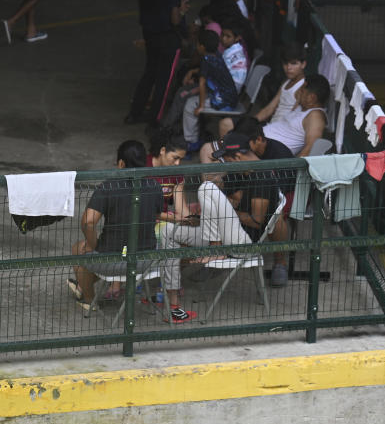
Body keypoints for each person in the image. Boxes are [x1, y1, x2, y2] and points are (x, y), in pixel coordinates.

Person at [67, 140, 169, 314]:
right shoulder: (154, 187)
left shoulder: (109, 187)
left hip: (114, 261)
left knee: (78, 248)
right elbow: (156, 214)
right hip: (146, 261)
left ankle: (88, 299)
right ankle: (83, 286)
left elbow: (88, 222)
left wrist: (92, 244)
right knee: (96, 256)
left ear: (121, 164)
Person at [156, 174, 252, 322]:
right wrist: (198, 219)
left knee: (205, 187)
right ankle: (173, 306)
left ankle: (215, 250)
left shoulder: (249, 176)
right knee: (167, 231)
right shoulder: (221, 183)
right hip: (216, 235)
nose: (211, 170)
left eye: (214, 162)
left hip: (239, 243)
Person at [213, 132, 289, 286]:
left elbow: (255, 220)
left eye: (226, 158)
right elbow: (226, 189)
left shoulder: (263, 176)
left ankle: (280, 262)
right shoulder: (238, 172)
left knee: (277, 217)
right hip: (232, 226)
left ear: (237, 157)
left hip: (244, 237)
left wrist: (225, 207)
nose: (224, 162)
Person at [126, 0, 190, 125]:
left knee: (149, 74)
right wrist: (183, 12)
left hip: (151, 36)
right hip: (168, 39)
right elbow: (175, 19)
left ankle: (135, 112)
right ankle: (156, 118)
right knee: (164, 80)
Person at [182, 29, 239, 150]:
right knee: (194, 101)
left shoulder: (205, 60)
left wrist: (201, 105)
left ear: (202, 47)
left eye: (197, 44)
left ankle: (191, 142)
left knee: (190, 104)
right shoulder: (217, 55)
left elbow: (202, 83)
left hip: (223, 101)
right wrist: (193, 71)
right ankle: (197, 135)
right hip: (231, 97)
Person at [263, 74, 329, 157]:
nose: (298, 92)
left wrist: (293, 167)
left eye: (301, 90)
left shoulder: (315, 116)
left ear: (312, 98)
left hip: (270, 151)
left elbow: (310, 148)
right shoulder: (302, 106)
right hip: (262, 140)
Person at [256, 43, 307, 125]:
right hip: (272, 127)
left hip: (281, 132)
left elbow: (294, 120)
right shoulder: (286, 82)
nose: (288, 68)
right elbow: (270, 108)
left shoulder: (303, 87)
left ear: (303, 64)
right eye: (285, 63)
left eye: (294, 63)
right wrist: (251, 122)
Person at [220, 19, 248, 91]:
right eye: (222, 34)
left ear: (237, 38)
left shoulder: (236, 56)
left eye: (228, 36)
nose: (223, 39)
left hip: (228, 92)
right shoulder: (230, 51)